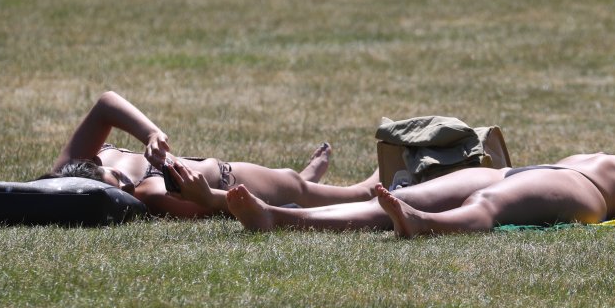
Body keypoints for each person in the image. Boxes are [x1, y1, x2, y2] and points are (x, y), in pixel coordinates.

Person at [225, 151, 615, 234]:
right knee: (399, 196)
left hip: (579, 189)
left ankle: (429, 226)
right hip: (522, 171)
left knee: (486, 210)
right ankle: (282, 212)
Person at [45, 91, 377, 218]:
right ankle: (299, 184)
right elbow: (215, 204)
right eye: (122, 194)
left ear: (90, 164)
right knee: (358, 194)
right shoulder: (150, 195)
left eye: (116, 179)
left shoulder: (67, 173)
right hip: (226, 178)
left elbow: (106, 103)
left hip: (213, 169)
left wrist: (151, 134)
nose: (126, 189)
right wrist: (202, 194)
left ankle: (297, 183)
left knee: (293, 185)